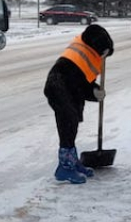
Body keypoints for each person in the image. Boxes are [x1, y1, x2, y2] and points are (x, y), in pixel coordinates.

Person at [44, 24, 114, 184]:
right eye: (105, 53)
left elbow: (83, 83)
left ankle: (72, 162)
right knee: (67, 126)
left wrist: (95, 91)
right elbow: (79, 85)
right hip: (58, 87)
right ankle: (64, 168)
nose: (104, 57)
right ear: (99, 46)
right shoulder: (79, 56)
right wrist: (93, 93)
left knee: (72, 125)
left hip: (67, 88)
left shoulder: (86, 51)